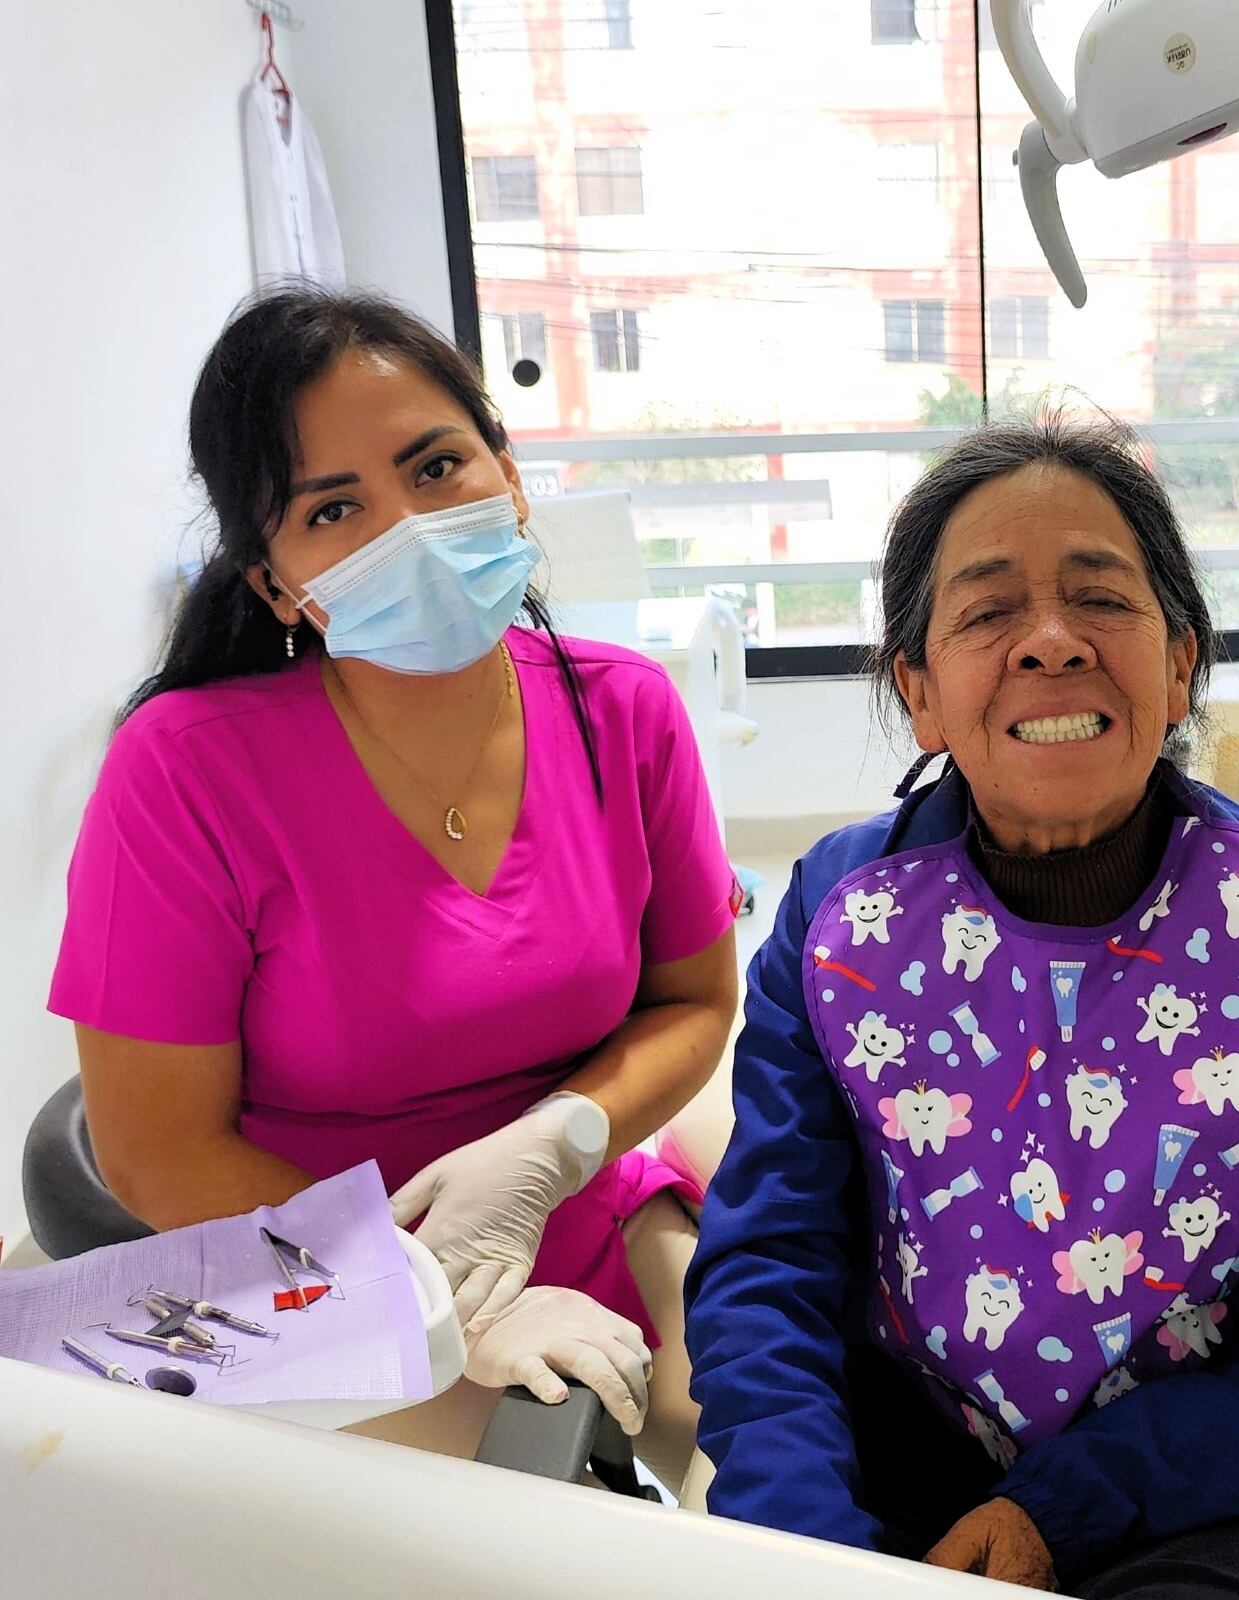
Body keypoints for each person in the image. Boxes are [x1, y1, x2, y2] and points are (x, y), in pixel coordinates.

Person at [685, 412, 1239, 1597]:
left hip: (1210, 1471)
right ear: (921, 694)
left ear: (1179, 664)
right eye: (988, 612)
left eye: (1101, 598)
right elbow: (769, 1265)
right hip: (898, 1449)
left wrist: (1066, 1503)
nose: (1049, 641)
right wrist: (805, 1543)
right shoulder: (840, 925)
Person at [48, 289, 739, 1490]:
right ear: (276, 582)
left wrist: (559, 1138)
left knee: (765, 1460)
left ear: (507, 475)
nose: (409, 529)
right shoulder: (186, 772)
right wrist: (424, 1289)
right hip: (316, 1268)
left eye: (434, 466)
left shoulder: (623, 710)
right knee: (555, 1527)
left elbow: (694, 1003)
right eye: (333, 508)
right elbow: (159, 1153)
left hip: (581, 1197)